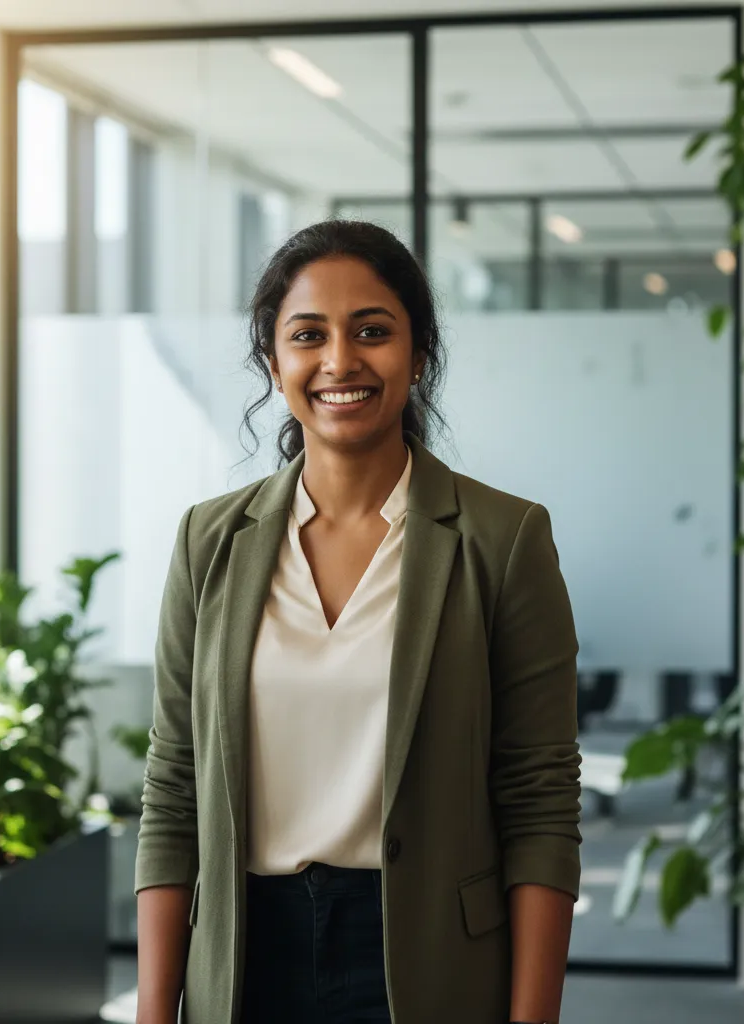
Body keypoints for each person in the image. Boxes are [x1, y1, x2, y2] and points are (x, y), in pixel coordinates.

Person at [133, 220, 582, 1024]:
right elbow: (173, 791)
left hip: (424, 959)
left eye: (372, 331)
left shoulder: (502, 540)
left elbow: (540, 800)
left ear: (419, 354)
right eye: (308, 335)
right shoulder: (209, 542)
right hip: (241, 959)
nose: (341, 361)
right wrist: (154, 1010)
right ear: (274, 364)